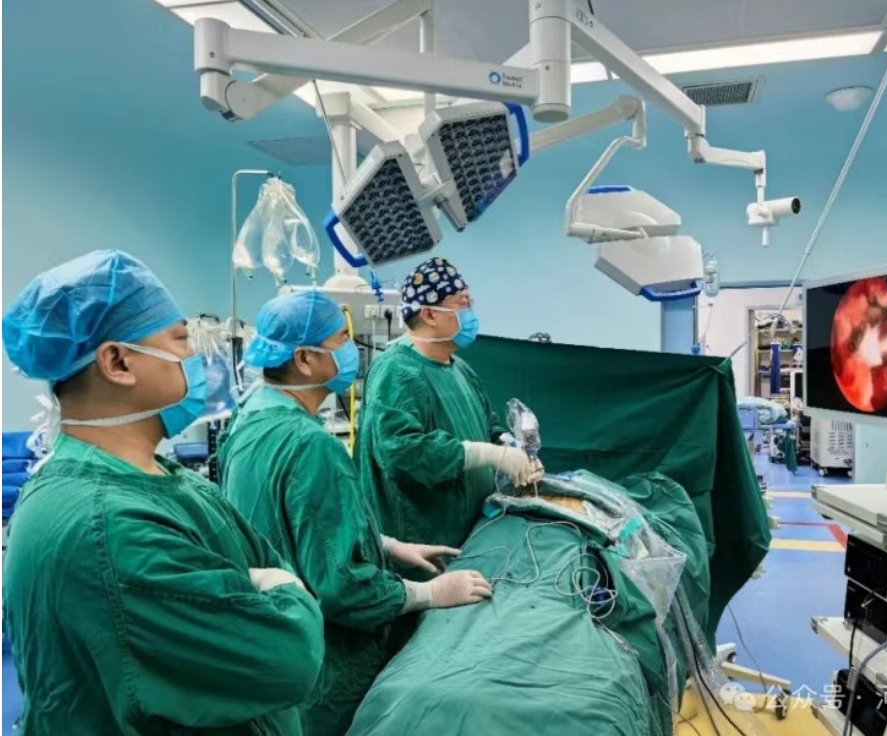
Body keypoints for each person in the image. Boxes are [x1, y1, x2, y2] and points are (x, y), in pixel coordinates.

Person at [0, 250, 326, 735]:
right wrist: (281, 587)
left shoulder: (162, 477)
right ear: (118, 361)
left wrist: (267, 581)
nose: (196, 356)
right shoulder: (108, 527)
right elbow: (287, 657)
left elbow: (262, 561)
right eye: (180, 339)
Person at [218, 291, 493, 736]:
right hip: (324, 664)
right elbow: (342, 587)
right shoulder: (309, 445)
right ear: (305, 359)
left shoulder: (251, 416)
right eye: (341, 340)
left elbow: (284, 524)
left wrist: (385, 545)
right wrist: (429, 594)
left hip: (273, 646)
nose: (352, 349)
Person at [357, 257, 543, 554]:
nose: (471, 312)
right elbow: (401, 453)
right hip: (424, 545)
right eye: (462, 303)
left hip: (474, 534)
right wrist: (489, 454)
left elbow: (488, 426)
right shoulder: (397, 372)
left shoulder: (460, 369)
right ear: (430, 313)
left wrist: (512, 451)